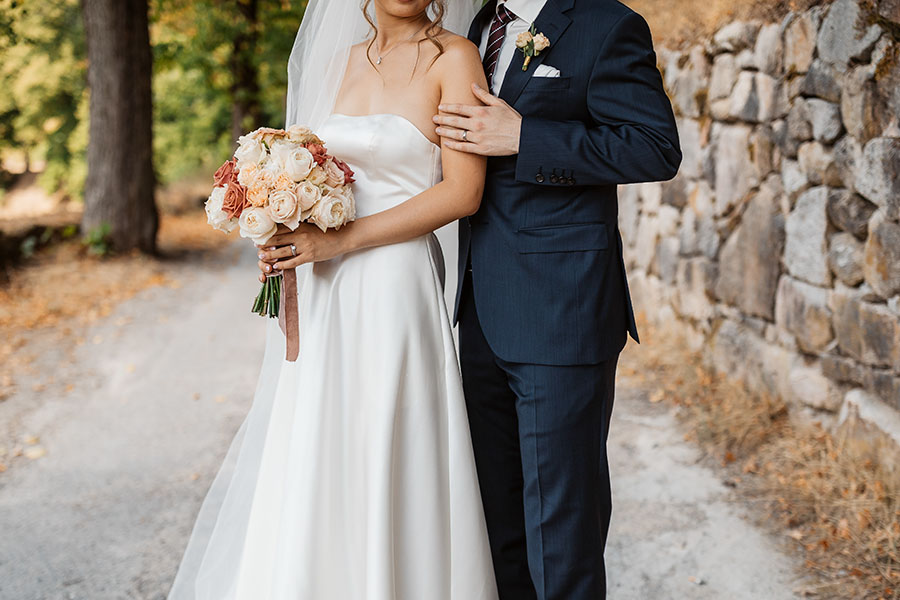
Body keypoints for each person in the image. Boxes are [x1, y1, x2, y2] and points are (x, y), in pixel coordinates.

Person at [166, 1, 499, 598]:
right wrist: (277, 232)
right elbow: (308, 171)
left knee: (384, 437)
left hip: (395, 288)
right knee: (318, 438)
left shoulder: (455, 58)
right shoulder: (334, 61)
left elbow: (463, 192)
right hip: (323, 289)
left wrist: (340, 241)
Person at [431, 0, 682, 598]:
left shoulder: (607, 24)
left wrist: (526, 137)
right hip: (478, 311)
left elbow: (655, 148)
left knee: (561, 530)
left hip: (562, 312)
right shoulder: (477, 27)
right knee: (499, 525)